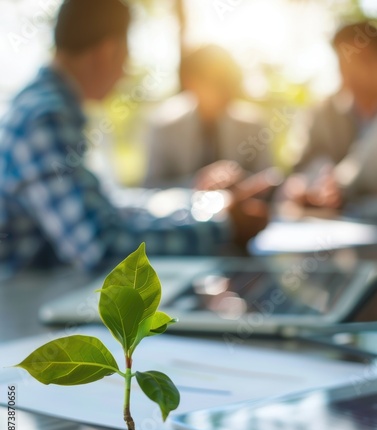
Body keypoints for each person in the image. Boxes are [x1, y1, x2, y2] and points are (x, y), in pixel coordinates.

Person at [0, 0, 267, 276]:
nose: (125, 72)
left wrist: (201, 203)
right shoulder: (44, 119)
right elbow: (103, 248)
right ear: (109, 51)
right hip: (25, 309)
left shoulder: (46, 109)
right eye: (126, 55)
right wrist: (224, 228)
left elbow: (110, 208)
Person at [144, 44, 272, 189]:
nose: (224, 90)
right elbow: (151, 187)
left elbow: (267, 181)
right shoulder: (165, 126)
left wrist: (239, 183)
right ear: (191, 81)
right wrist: (197, 184)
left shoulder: (252, 125)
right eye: (216, 81)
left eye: (228, 81)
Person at [280, 21, 377, 211]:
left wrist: (343, 186)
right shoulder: (322, 112)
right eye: (345, 60)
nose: (352, 70)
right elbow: (301, 166)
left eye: (362, 60)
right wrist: (307, 186)